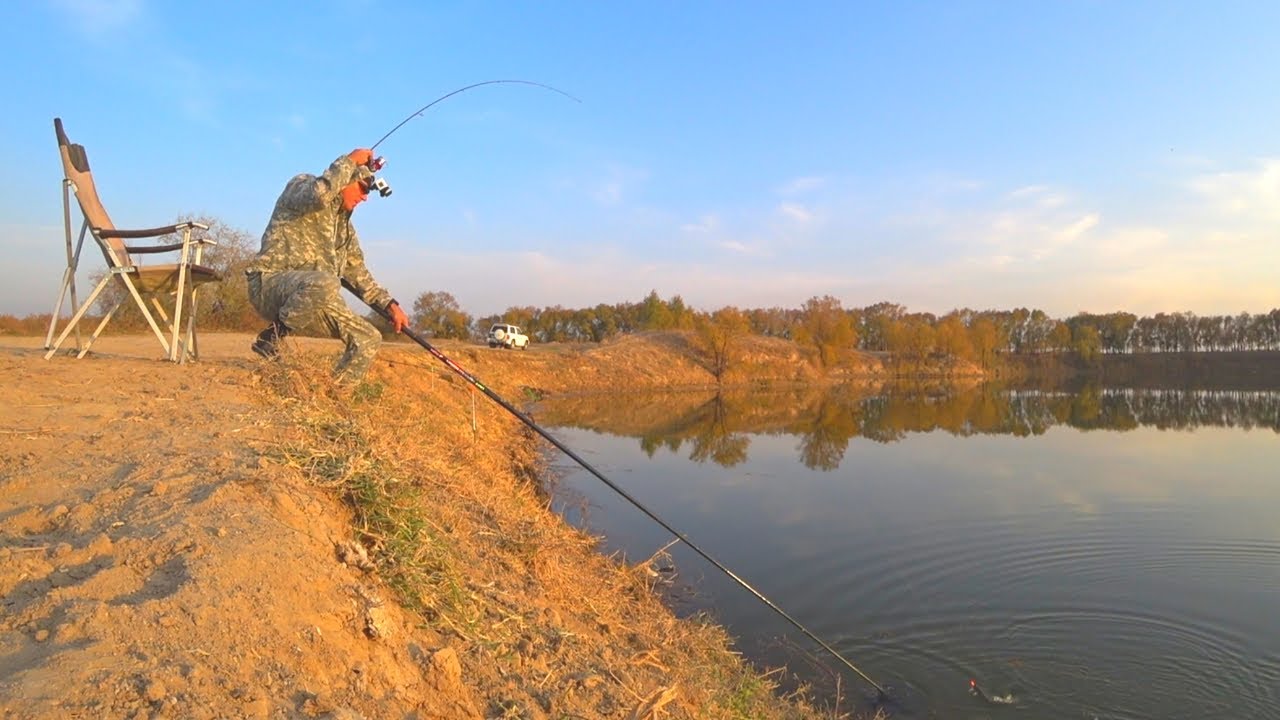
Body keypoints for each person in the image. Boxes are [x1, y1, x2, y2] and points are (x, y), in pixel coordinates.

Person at [246, 148, 410, 383]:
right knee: (327, 281)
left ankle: (336, 394)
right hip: (268, 286)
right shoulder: (301, 186)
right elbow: (320, 195)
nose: (365, 197)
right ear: (346, 179)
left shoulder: (345, 230)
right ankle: (271, 338)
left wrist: (391, 305)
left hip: (315, 296)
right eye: (363, 188)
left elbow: (358, 274)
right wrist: (351, 160)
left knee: (369, 338)